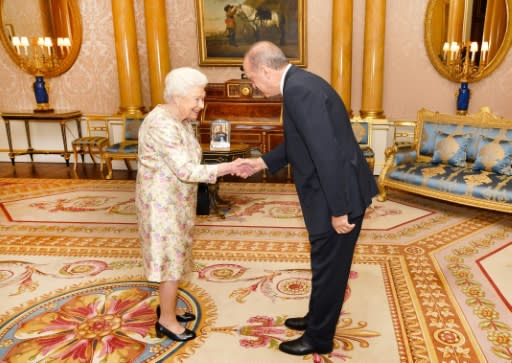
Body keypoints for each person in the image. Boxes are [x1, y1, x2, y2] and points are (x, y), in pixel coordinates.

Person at [239, 41, 379, 356]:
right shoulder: (300, 84)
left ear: (265, 69)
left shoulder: (300, 91)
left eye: (251, 78)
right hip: (335, 191)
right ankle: (316, 319)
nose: (252, 85)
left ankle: (319, 338)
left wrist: (339, 210)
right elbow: (299, 143)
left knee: (331, 268)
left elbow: (327, 155)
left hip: (338, 197)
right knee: (324, 264)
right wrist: (261, 162)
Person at [135, 67, 246, 342]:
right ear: (177, 97)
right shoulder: (162, 124)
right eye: (196, 99)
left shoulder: (179, 119)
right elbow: (186, 170)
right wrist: (227, 167)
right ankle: (167, 321)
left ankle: (168, 307)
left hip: (177, 201)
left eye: (202, 98)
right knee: (169, 261)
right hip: (161, 204)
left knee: (178, 254)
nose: (201, 105)